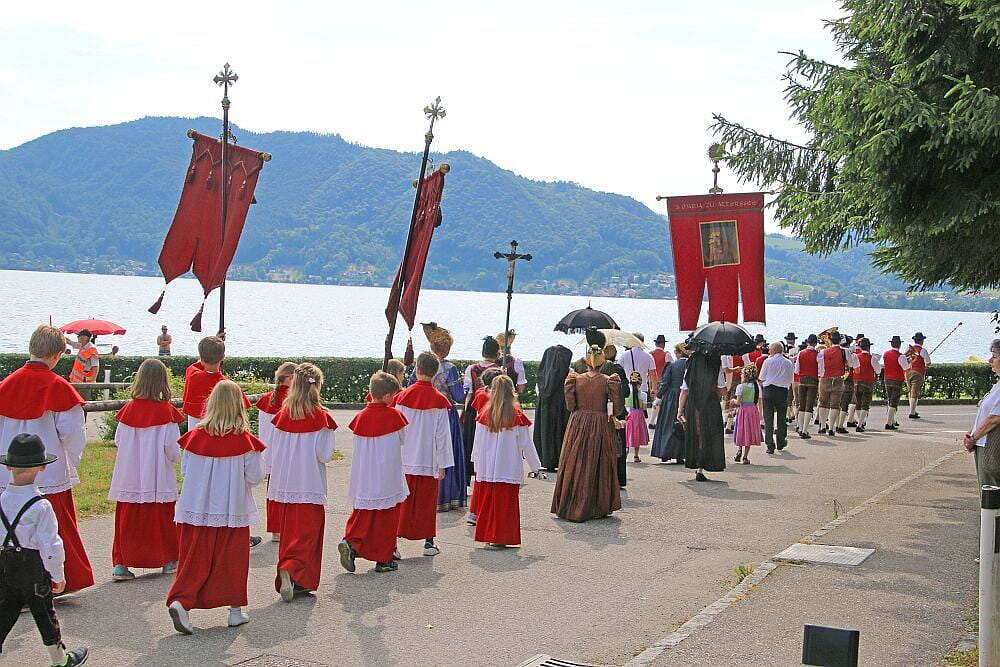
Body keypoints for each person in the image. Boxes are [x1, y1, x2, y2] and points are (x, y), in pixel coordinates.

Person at [166, 381, 265, 635]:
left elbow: (185, 470)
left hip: (196, 507)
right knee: (233, 559)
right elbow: (255, 477)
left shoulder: (194, 437)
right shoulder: (246, 441)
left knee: (193, 559)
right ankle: (235, 611)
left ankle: (181, 601)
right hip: (231, 508)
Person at [0, 325, 93, 593]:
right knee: (54, 525)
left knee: (9, 526)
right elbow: (73, 433)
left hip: (9, 469)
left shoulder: (6, 385)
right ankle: (57, 580)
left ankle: (11, 584)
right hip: (47, 468)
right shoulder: (59, 387)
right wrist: (72, 461)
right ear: (56, 355)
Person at [0, 434, 89, 667]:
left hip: (6, 564)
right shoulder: (41, 506)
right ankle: (59, 659)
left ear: (8, 466)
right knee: (44, 613)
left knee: (4, 611)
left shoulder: (2, 500)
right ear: (42, 467)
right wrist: (57, 575)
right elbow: (51, 545)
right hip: (32, 567)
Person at [108, 358, 184, 581]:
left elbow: (119, 440)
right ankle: (169, 559)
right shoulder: (166, 412)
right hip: (157, 473)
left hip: (130, 473)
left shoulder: (128, 410)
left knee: (127, 519)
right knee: (162, 518)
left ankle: (121, 564)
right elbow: (172, 448)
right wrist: (176, 459)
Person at [267, 364, 337, 601]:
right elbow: (324, 455)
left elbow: (273, 452)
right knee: (308, 534)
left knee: (290, 532)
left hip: (286, 485)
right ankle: (294, 570)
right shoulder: (321, 418)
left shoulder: (282, 416)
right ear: (317, 386)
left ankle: (289, 569)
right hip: (310, 483)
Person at [339, 372, 410, 573]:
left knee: (364, 511)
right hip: (387, 473)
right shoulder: (394, 416)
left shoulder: (360, 417)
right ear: (387, 396)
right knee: (387, 516)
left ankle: (352, 542)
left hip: (364, 471)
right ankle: (383, 559)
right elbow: (403, 439)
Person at [550, 329, 624, 521]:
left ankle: (571, 502)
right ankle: (597, 505)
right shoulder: (609, 381)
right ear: (602, 361)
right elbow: (616, 409)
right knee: (598, 461)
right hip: (600, 422)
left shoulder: (575, 379)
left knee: (575, 460)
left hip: (578, 422)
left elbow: (570, 406)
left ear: (586, 360)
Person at [470, 375, 540, 547]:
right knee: (505, 504)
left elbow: (477, 443)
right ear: (512, 392)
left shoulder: (484, 414)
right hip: (508, 466)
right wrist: (536, 467)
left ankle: (488, 535)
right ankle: (500, 537)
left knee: (488, 503)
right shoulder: (516, 415)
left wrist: (476, 464)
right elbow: (526, 444)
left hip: (487, 468)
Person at [395, 352, 452, 557]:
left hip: (404, 458)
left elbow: (396, 428)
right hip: (429, 459)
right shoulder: (439, 401)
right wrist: (443, 463)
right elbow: (442, 436)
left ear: (416, 370)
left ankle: (393, 545)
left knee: (400, 502)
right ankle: (428, 543)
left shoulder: (402, 397)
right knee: (427, 503)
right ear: (435, 373)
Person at [411, 323, 467, 512]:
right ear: (447, 348)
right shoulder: (450, 368)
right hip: (445, 412)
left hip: (421, 411)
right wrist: (467, 388)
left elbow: (410, 387)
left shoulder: (420, 365)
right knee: (445, 451)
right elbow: (458, 396)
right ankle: (446, 496)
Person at [181, 336, 250, 433]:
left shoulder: (193, 375)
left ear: (201, 357)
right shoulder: (228, 386)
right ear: (223, 357)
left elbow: (198, 364)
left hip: (195, 437)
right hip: (221, 433)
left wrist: (211, 348)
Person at [678, 349, 727, 481]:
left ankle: (698, 465)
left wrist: (680, 410)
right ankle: (705, 464)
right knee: (710, 434)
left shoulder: (691, 362)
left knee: (697, 433)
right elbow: (722, 389)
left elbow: (684, 389)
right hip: (710, 403)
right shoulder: (716, 361)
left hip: (693, 403)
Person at [465, 367, 502, 525]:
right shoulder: (496, 397)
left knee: (480, 480)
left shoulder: (480, 393)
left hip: (480, 439)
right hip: (493, 437)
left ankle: (474, 512)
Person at [461, 337, 501, 485]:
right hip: (494, 410)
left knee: (470, 443)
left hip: (475, 408)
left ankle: (467, 478)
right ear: (497, 352)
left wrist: (465, 412)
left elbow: (469, 393)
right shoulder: (500, 370)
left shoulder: (471, 369)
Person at [963, 339, 1000, 488]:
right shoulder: (997, 385)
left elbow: (994, 418)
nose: (990, 360)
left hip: (991, 446)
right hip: (983, 443)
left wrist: (973, 438)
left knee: (991, 491)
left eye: (995, 356)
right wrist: (972, 433)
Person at [532, 343, 573, 471]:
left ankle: (546, 459)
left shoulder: (542, 377)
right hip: (562, 405)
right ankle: (561, 459)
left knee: (546, 430)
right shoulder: (568, 375)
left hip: (546, 405)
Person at [651, 343, 689, 464]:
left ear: (679, 353)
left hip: (672, 397)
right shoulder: (691, 365)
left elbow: (665, 383)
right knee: (683, 425)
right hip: (687, 397)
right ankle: (681, 454)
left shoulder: (672, 365)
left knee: (668, 425)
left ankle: (666, 452)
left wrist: (658, 397)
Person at [817, 331, 859, 437]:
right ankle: (831, 428)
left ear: (830, 340)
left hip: (825, 378)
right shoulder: (845, 351)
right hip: (838, 379)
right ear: (840, 340)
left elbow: (820, 367)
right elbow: (850, 365)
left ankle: (822, 426)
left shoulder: (823, 351)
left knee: (823, 403)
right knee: (835, 404)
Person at [602, 345, 630, 488]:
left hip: (600, 411)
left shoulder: (596, 370)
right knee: (618, 445)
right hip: (618, 411)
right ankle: (618, 478)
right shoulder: (618, 369)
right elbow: (626, 392)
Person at [759, 341, 793, 453]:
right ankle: (781, 441)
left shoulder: (768, 361)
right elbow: (790, 379)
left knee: (768, 418)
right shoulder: (788, 362)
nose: (768, 351)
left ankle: (770, 444)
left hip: (769, 390)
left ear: (774, 350)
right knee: (781, 418)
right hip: (782, 390)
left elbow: (762, 377)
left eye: (770, 349)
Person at [731, 366, 762, 464]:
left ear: (745, 376)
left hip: (743, 410)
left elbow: (738, 402)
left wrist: (733, 400)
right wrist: (760, 413)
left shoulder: (740, 387)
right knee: (749, 431)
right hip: (752, 410)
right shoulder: (756, 387)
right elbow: (759, 401)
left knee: (741, 430)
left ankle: (739, 450)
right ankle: (745, 457)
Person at [850, 338, 881, 432]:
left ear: (860, 347)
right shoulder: (873, 358)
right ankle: (860, 424)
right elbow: (878, 371)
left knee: (858, 404)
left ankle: (861, 422)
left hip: (856, 382)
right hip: (868, 382)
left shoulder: (856, 356)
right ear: (869, 347)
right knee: (865, 404)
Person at [882, 335, 910, 430]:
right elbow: (906, 368)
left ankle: (893, 420)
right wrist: (910, 361)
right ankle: (889, 423)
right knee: (894, 402)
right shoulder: (901, 356)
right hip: (897, 380)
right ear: (899, 345)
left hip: (887, 379)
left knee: (890, 400)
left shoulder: (886, 354)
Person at [793, 334, 819, 439]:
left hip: (802, 380)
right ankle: (804, 430)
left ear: (808, 342)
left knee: (802, 405)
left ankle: (800, 428)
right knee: (809, 405)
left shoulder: (801, 353)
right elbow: (821, 369)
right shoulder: (818, 354)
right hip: (813, 380)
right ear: (816, 343)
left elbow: (796, 370)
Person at [648, 334, 673, 429]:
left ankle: (652, 421)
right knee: (660, 402)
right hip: (662, 381)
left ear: (656, 344)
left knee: (655, 401)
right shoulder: (666, 354)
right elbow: (671, 367)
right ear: (663, 344)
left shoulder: (650, 354)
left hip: (651, 381)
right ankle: (655, 422)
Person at [721, 352, 750, 433]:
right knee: (734, 402)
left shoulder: (725, 354)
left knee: (728, 401)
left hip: (728, 380)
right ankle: (729, 425)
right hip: (738, 380)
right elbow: (748, 366)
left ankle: (727, 421)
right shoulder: (743, 354)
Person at [906, 332, 932, 419]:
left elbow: (905, 359)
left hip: (908, 372)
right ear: (922, 341)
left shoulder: (908, 349)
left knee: (911, 391)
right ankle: (912, 412)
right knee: (915, 392)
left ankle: (912, 410)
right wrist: (924, 365)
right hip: (918, 372)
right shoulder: (923, 350)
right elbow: (928, 362)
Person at [834, 335, 856, 434]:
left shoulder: (835, 352)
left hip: (837, 379)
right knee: (844, 403)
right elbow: (852, 365)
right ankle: (840, 426)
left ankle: (836, 424)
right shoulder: (850, 353)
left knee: (837, 403)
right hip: (848, 380)